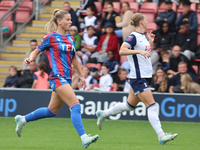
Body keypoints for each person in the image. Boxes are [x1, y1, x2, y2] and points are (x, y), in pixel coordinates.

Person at [14, 9, 99, 148]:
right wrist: (30, 58)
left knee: (51, 111)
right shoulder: (50, 37)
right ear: (59, 21)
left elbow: (74, 59)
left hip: (67, 78)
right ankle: (84, 138)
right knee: (76, 105)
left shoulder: (70, 38)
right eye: (68, 19)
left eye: (71, 20)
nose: (71, 22)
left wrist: (82, 76)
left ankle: (22, 120)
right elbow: (37, 50)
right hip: (57, 77)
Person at [96, 13, 178, 145]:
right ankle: (161, 135)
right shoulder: (133, 36)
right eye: (146, 19)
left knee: (129, 106)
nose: (147, 21)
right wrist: (139, 51)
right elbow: (122, 50)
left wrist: (150, 43)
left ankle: (103, 114)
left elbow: (145, 56)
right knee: (152, 105)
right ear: (141, 22)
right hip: (138, 77)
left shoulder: (143, 37)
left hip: (144, 76)